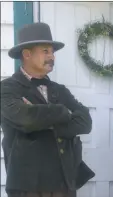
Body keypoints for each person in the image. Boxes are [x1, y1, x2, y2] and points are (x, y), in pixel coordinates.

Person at [1, 22, 95, 197]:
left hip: (64, 183)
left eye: (52, 52)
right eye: (45, 51)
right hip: (28, 186)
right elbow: (26, 119)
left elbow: (85, 122)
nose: (51, 56)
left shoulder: (59, 90)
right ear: (27, 54)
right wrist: (63, 112)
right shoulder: (7, 88)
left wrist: (42, 119)